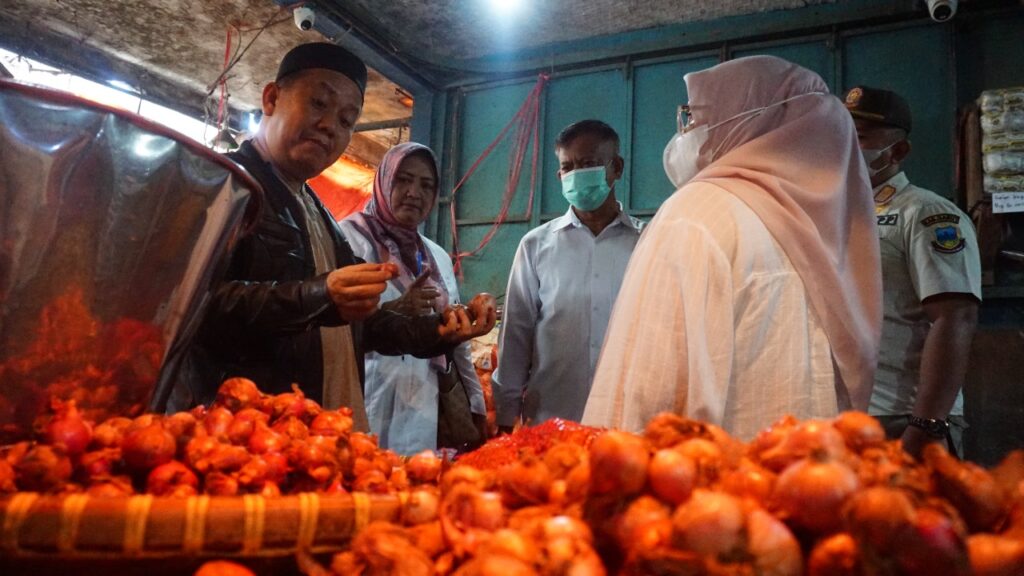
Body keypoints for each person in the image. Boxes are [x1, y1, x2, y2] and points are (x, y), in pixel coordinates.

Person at [172, 43, 495, 431]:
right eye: (318, 104)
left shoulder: (315, 210)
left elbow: (362, 327)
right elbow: (188, 307)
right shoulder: (225, 184)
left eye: (346, 120)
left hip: (311, 430)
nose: (330, 126)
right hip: (243, 432)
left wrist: (438, 330)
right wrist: (318, 296)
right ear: (271, 99)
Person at [582, 56, 882, 441]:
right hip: (813, 469)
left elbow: (643, 395)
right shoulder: (833, 227)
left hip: (716, 473)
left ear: (743, 120)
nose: (688, 132)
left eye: (696, 117)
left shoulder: (696, 215)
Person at [845, 86, 981, 457]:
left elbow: (955, 317)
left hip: (901, 414)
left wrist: (926, 424)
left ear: (898, 151)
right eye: (839, 134)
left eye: (860, 137)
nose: (845, 146)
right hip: (847, 413)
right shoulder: (836, 215)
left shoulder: (926, 213)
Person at [493, 120, 644, 432]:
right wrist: (506, 416)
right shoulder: (535, 246)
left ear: (616, 167)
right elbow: (516, 336)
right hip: (551, 425)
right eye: (568, 167)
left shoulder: (647, 243)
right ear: (559, 175)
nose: (576, 174)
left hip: (627, 427)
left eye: (588, 164)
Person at [339, 142, 488, 454]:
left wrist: (476, 404)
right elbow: (332, 327)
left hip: (423, 406)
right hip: (366, 395)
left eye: (426, 185)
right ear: (384, 181)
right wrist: (394, 311)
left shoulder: (436, 256)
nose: (414, 193)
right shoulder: (348, 240)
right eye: (403, 180)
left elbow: (456, 344)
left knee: (416, 477)